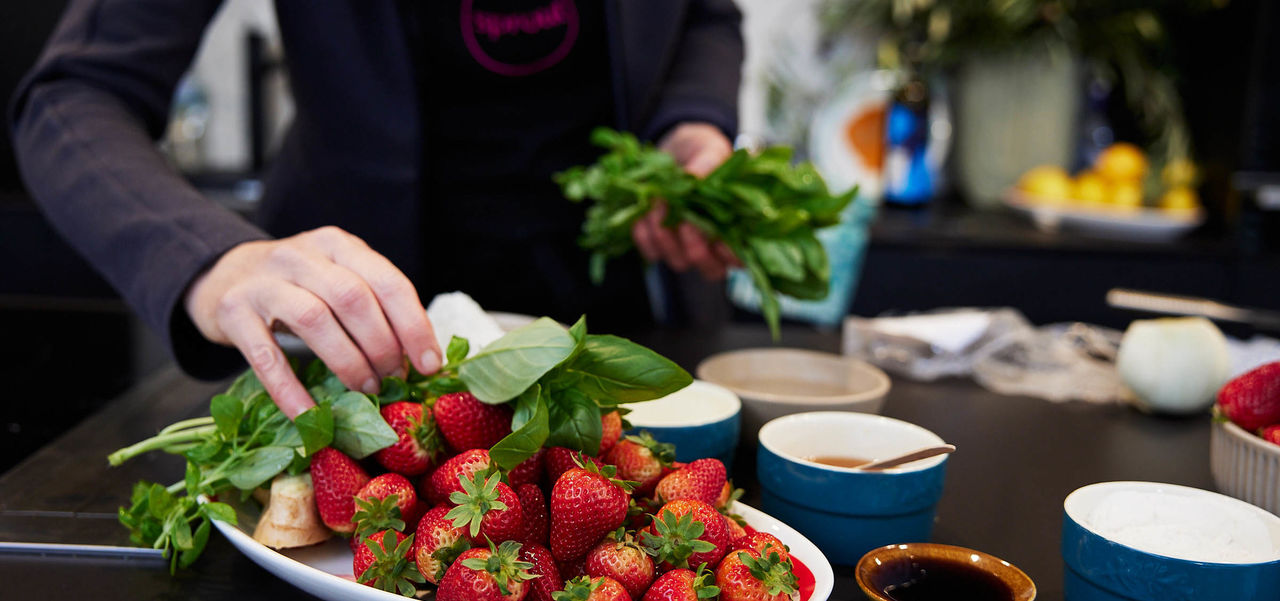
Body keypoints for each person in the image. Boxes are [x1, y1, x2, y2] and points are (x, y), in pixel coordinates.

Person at [9, 0, 744, 419]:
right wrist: (209, 257)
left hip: (625, 327)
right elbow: (72, 96)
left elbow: (705, 13)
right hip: (360, 356)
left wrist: (688, 125)